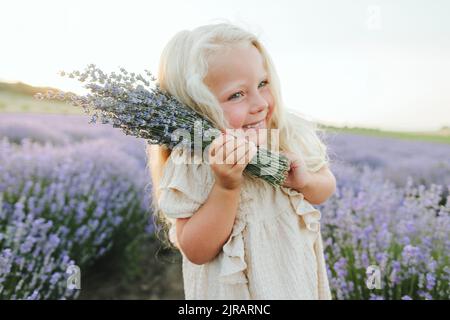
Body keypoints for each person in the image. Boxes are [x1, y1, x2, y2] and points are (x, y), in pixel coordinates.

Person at [147, 22, 336, 299]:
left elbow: (325, 187)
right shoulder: (193, 162)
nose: (260, 103)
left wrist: (305, 181)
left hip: (295, 282)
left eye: (262, 83)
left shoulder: (284, 133)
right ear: (197, 108)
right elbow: (197, 251)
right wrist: (226, 187)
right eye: (236, 94)